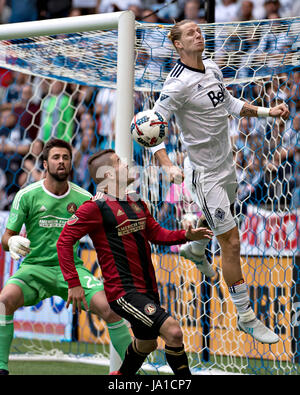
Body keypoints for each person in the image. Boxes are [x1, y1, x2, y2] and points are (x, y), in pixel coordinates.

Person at [150, 20, 290, 344]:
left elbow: (231, 105)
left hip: (227, 166)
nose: (197, 34)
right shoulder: (176, 85)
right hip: (204, 174)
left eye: (198, 30)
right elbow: (149, 125)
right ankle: (246, 316)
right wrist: (168, 165)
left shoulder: (211, 66)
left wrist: (270, 112)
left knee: (216, 223)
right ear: (177, 45)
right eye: (189, 33)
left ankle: (196, 249)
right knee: (231, 241)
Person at [56, 149, 213, 375]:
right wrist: (73, 283)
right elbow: (64, 241)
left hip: (148, 288)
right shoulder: (95, 207)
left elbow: (156, 234)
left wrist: (186, 236)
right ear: (109, 174)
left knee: (147, 344)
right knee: (174, 332)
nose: (127, 164)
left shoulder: (136, 200)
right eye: (119, 162)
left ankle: (120, 377)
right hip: (123, 292)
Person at [0, 139, 132, 375]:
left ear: (71, 163)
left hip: (72, 270)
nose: (61, 161)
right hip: (34, 268)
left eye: (66, 157)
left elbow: (102, 240)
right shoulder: (27, 195)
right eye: (56, 157)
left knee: (111, 310)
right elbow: (5, 239)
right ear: (45, 163)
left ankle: (134, 372)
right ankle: (1, 368)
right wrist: (12, 241)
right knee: (3, 302)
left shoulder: (84, 199)